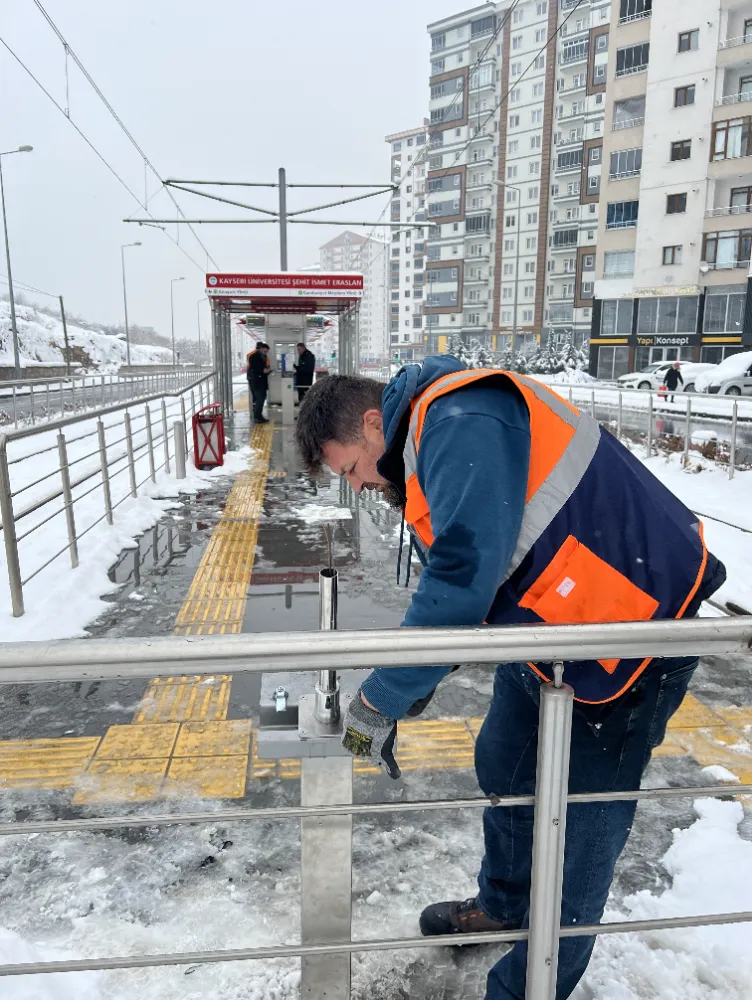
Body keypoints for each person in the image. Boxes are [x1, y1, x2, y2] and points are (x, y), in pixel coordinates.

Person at [294, 356, 725, 1000]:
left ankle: (527, 987)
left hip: (635, 629)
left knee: (585, 825)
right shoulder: (431, 436)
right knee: (505, 760)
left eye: (351, 468)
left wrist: (381, 698)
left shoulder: (461, 417)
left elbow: (461, 578)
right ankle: (504, 906)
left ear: (374, 423)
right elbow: (476, 568)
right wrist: (418, 679)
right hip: (554, 626)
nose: (358, 486)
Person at [246, 342, 270, 423]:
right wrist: (263, 370)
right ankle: (257, 416)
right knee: (259, 399)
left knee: (261, 398)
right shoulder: (254, 356)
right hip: (256, 382)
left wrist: (266, 370)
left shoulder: (262, 356)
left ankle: (259, 416)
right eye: (265, 351)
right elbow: (254, 368)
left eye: (267, 351)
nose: (266, 352)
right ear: (261, 348)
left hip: (261, 381)